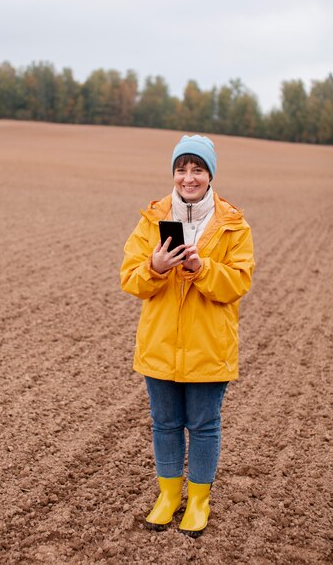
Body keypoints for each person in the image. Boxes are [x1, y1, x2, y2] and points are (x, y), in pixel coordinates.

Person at [120, 135, 254, 537]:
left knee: (203, 424)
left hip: (208, 346)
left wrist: (203, 269)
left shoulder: (233, 225)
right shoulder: (152, 219)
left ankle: (198, 500)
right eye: (182, 169)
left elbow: (238, 282)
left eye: (197, 169)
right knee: (164, 422)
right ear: (173, 173)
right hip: (161, 343)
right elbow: (130, 278)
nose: (188, 177)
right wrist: (156, 266)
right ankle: (168, 496)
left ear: (210, 174)